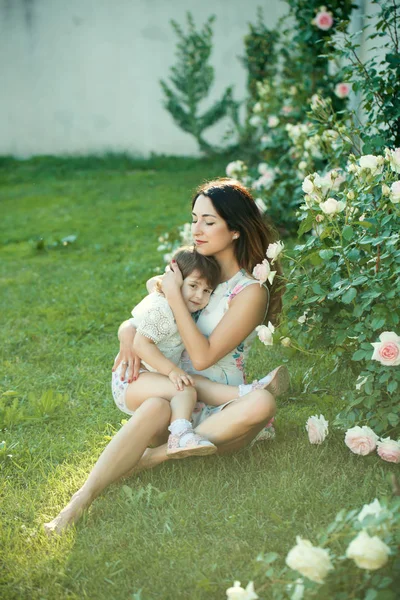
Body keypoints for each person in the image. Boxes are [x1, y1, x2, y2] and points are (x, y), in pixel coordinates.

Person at [44, 178, 288, 535]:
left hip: (216, 408)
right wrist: (127, 332)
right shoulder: (195, 269)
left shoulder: (248, 291)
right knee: (158, 405)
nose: (197, 229)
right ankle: (80, 500)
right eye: (195, 219)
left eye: (209, 221)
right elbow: (152, 313)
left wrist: (174, 293)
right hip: (177, 395)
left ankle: (151, 458)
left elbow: (202, 357)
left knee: (261, 405)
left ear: (235, 230)